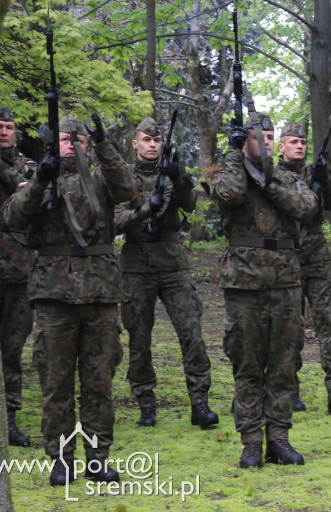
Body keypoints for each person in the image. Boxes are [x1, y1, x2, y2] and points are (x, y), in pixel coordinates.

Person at [5, 114, 135, 485]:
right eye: (64, 139)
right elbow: (14, 217)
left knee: (99, 383)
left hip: (100, 293)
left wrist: (104, 146)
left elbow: (127, 190)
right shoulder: (39, 178)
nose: (71, 145)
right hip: (54, 295)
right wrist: (40, 180)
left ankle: (97, 458)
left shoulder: (100, 179)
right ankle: (61, 459)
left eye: (78, 140)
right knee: (56, 383)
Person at [211, 112, 317, 468]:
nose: (268, 142)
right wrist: (236, 157)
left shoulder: (287, 176)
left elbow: (306, 207)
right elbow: (229, 194)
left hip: (285, 281)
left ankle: (280, 438)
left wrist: (268, 181)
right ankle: (252, 440)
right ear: (246, 141)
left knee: (284, 364)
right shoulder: (230, 173)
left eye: (271, 136)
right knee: (248, 364)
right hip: (244, 283)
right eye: (259, 137)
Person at [114, 116, 217, 429]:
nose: (153, 145)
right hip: (135, 264)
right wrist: (145, 208)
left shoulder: (171, 171)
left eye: (157, 141)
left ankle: (200, 402)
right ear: (135, 143)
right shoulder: (123, 178)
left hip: (173, 263)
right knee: (139, 339)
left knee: (192, 334)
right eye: (147, 140)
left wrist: (180, 176)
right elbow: (117, 221)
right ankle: (146, 404)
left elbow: (190, 205)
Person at [276, 122, 331, 414]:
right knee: (291, 326)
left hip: (316, 254)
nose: (300, 146)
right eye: (293, 142)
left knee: (325, 321)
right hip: (287, 255)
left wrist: (325, 178)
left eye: (303, 142)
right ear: (281, 146)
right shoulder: (272, 175)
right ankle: (291, 390)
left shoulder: (312, 172)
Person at [0, 106, 36, 446]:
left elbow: (25, 195)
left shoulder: (28, 168)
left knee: (11, 351)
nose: (4, 132)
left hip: (19, 272)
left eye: (9, 127)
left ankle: (8, 419)